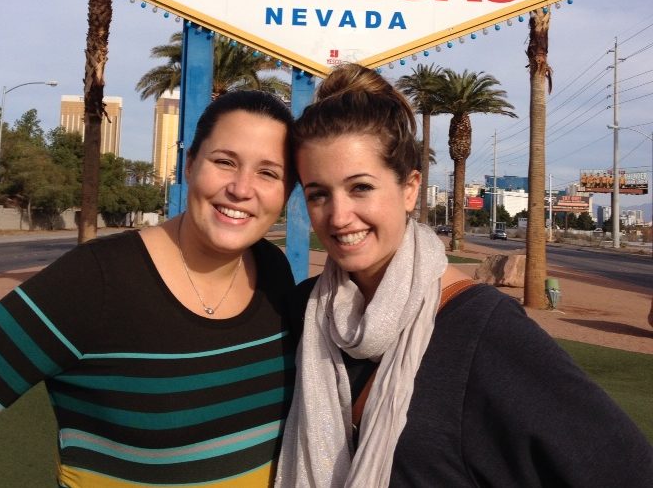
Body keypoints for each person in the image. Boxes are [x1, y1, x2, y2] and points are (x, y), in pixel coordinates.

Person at [275, 63, 653, 488]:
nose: (340, 216)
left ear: (410, 188)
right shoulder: (306, 311)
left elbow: (624, 467)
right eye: (319, 194)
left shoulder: (485, 331)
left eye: (361, 187)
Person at [0, 90, 297, 488]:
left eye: (269, 172)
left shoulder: (273, 271)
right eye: (224, 162)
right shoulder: (97, 279)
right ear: (190, 164)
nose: (242, 189)